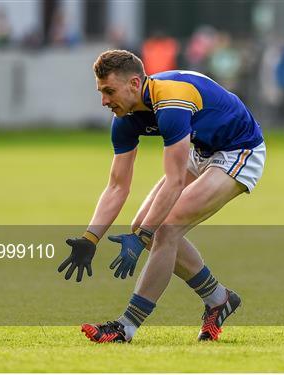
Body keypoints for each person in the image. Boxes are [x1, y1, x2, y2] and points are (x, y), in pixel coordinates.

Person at [58, 50, 265, 343]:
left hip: (239, 150)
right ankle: (219, 298)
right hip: (202, 150)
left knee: (165, 228)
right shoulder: (124, 118)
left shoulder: (171, 102)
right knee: (143, 226)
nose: (103, 101)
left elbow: (175, 180)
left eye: (109, 91)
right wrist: (90, 238)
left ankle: (125, 327)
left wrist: (144, 236)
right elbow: (117, 186)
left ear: (133, 83)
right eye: (101, 92)